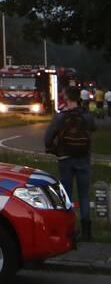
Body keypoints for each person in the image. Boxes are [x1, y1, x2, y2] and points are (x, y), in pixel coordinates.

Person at [44, 86, 96, 241]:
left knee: (66, 195)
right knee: (84, 195)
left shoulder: (60, 116)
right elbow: (93, 129)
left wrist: (52, 148)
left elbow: (48, 138)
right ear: (79, 97)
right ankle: (87, 233)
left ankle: (68, 231)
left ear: (66, 98)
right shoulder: (87, 116)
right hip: (83, 158)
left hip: (65, 159)